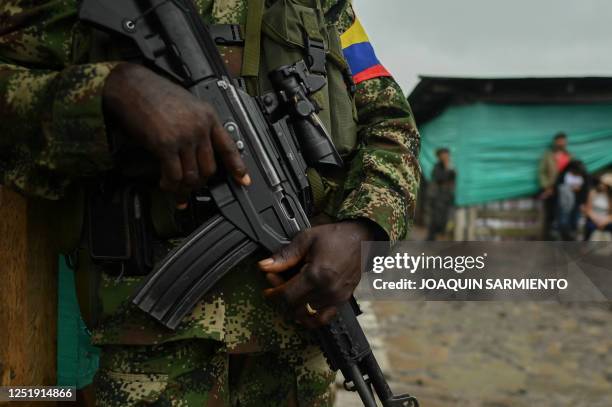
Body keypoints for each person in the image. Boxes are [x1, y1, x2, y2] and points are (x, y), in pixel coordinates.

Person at [0, 1, 420, 405]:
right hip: (149, 361)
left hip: (296, 360)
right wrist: (109, 92)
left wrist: (365, 227)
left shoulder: (325, 4)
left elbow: (391, 123)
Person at [539, 132, 572, 239]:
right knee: (550, 216)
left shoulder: (569, 156)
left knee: (564, 214)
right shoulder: (548, 155)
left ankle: (565, 241)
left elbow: (574, 172)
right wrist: (547, 186)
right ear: (555, 142)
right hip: (551, 189)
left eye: (563, 141)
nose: (561, 143)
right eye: (559, 140)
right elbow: (542, 172)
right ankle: (546, 240)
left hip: (565, 189)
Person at [555, 160, 589, 241]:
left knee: (575, 222)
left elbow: (585, 189)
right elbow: (558, 187)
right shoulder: (564, 175)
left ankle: (571, 240)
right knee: (563, 222)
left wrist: (583, 202)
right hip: (564, 202)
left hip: (577, 202)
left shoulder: (584, 176)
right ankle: (564, 238)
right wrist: (569, 188)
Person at [426, 148, 456, 241]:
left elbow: (453, 178)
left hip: (447, 195)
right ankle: (431, 237)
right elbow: (439, 178)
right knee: (436, 217)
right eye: (443, 155)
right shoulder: (437, 166)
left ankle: (440, 236)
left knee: (445, 217)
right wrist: (447, 168)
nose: (445, 156)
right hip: (438, 195)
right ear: (439, 156)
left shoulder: (451, 166)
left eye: (446, 154)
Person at [582, 174, 612, 241]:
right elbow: (588, 210)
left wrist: (605, 221)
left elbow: (610, 214)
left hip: (605, 219)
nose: (602, 185)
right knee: (590, 227)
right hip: (594, 217)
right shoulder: (593, 193)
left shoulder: (610, 197)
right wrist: (596, 220)